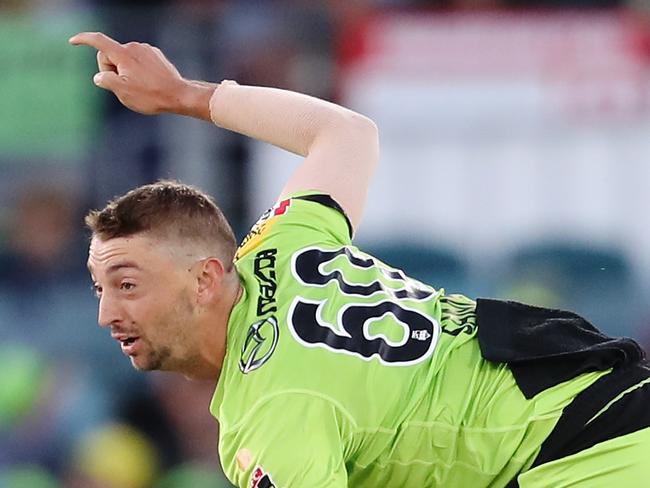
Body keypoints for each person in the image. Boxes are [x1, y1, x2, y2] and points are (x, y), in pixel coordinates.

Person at [71, 32, 650, 487]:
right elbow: (345, 132)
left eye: (127, 284)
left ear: (205, 279)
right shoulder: (282, 243)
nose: (105, 315)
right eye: (100, 289)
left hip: (588, 454)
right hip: (609, 410)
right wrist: (184, 96)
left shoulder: (275, 410)